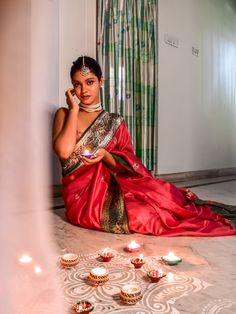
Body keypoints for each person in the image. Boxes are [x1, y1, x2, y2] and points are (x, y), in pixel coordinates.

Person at [52, 56, 236, 236]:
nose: (84, 90)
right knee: (144, 216)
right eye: (77, 84)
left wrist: (105, 155)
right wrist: (74, 111)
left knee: (164, 199)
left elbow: (125, 164)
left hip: (112, 188)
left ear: (101, 81)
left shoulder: (115, 121)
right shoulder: (64, 114)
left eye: (90, 82)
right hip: (83, 200)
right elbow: (64, 152)